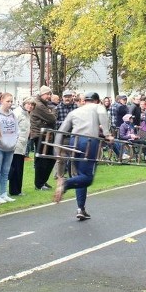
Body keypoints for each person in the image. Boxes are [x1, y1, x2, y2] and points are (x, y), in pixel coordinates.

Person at [53, 92, 111, 221]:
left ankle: (81, 209)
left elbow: (61, 131)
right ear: (97, 100)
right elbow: (102, 114)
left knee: (80, 175)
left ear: (85, 101)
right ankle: (65, 184)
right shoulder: (98, 107)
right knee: (87, 178)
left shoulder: (75, 112)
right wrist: (107, 134)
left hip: (74, 142)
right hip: (89, 142)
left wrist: (57, 150)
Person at [29, 86, 57, 190]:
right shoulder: (39, 105)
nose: (49, 96)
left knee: (51, 158)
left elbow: (50, 120)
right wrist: (52, 112)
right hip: (40, 135)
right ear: (41, 94)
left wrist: (49, 115)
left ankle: (43, 181)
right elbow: (52, 119)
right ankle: (39, 184)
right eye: (47, 94)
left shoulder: (44, 104)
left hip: (47, 134)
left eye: (50, 94)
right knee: (42, 160)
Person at [0, 92, 19, 203]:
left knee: (6, 171)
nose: (9, 103)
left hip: (11, 147)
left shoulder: (12, 114)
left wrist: (15, 141)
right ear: (1, 100)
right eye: (7, 101)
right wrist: (0, 141)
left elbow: (17, 129)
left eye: (11, 101)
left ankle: (4, 193)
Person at [8, 97, 33, 197]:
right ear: (24, 103)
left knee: (19, 168)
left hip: (23, 144)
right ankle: (14, 190)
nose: (30, 106)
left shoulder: (27, 114)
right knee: (15, 167)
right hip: (16, 144)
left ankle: (17, 189)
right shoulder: (17, 113)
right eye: (28, 104)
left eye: (32, 105)